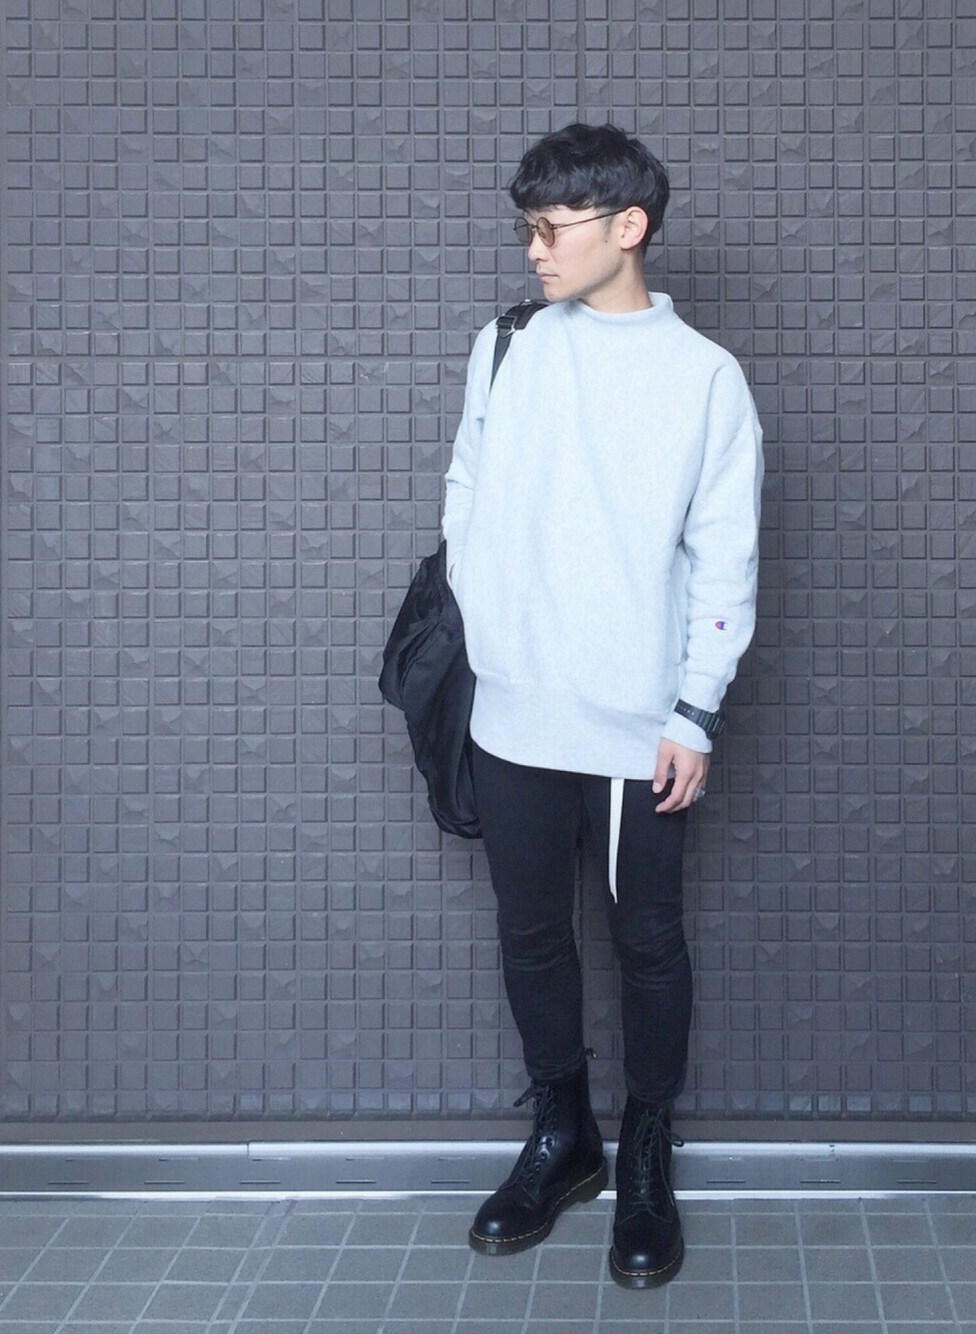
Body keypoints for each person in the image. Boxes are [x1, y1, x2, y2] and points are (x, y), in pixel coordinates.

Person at [442, 123, 763, 1289]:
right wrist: (490, 618)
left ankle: (644, 1155)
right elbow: (465, 484)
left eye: (551, 229)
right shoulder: (506, 345)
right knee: (529, 934)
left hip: (639, 725)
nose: (533, 250)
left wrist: (694, 710)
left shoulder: (704, 377)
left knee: (645, 942)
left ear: (627, 227)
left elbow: (724, 556)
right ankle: (561, 1135)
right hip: (511, 710)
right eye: (525, 230)